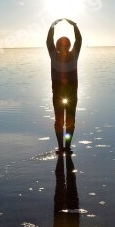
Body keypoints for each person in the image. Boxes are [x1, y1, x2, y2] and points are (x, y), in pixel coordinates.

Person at [46, 18, 82, 153]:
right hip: (57, 95)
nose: (64, 47)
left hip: (72, 95)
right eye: (61, 44)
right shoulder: (53, 55)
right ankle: (61, 147)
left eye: (66, 44)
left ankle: (67, 147)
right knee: (59, 121)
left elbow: (79, 40)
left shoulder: (74, 55)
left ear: (69, 46)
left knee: (71, 121)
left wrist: (75, 26)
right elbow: (48, 42)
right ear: (57, 46)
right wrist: (52, 27)